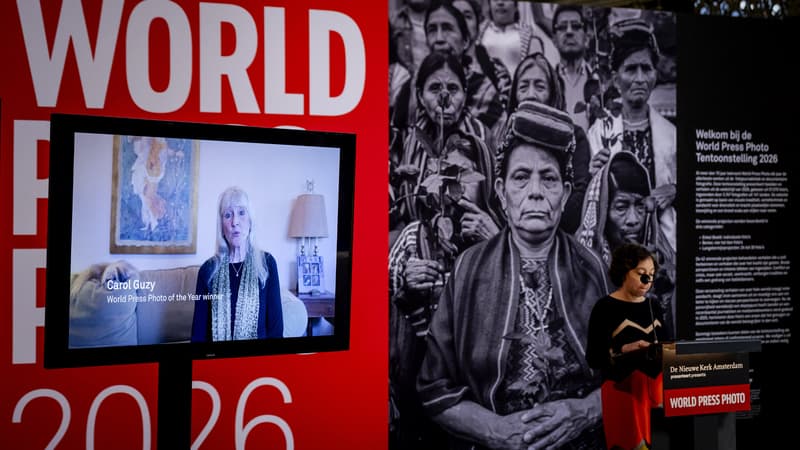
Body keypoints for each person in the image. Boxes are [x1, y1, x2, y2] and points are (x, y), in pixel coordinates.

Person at [417, 100, 611, 449]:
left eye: (549, 178)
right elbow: (434, 389)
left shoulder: (592, 268)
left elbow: (635, 377)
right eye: (521, 177)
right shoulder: (468, 270)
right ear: (501, 193)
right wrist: (493, 431)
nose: (535, 191)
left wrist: (586, 411)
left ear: (565, 194)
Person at [389, 137, 499, 449]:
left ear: (486, 183)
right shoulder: (417, 234)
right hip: (421, 382)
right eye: (448, 174)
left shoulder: (502, 233)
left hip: (483, 389)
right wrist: (406, 282)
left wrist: (494, 241)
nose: (455, 186)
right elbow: (382, 298)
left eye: (465, 176)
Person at [586, 18, 676, 253]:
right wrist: (594, 178)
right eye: (630, 69)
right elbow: (588, 197)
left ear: (655, 75)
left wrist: (675, 190)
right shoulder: (599, 131)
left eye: (646, 69)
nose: (639, 79)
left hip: (663, 247)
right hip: (614, 248)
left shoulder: (671, 135)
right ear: (616, 79)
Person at [392, 50, 499, 233]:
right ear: (420, 96)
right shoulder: (411, 139)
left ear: (465, 95)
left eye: (453, 88)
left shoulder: (481, 138)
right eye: (434, 88)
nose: (445, 98)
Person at [576, 151, 676, 335]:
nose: (633, 220)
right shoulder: (579, 270)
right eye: (621, 207)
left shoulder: (664, 265)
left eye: (640, 206)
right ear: (602, 211)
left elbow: (673, 339)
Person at [586, 243, 669, 450]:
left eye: (651, 275)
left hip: (656, 396)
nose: (648, 280)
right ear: (624, 272)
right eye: (641, 274)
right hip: (623, 394)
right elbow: (594, 358)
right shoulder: (605, 307)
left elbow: (667, 346)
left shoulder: (653, 305)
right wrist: (623, 350)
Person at [505, 52, 591, 234]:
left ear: (553, 94)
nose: (531, 95)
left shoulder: (574, 136)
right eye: (523, 87)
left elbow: (579, 194)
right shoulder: (505, 138)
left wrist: (542, 228)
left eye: (540, 87)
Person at [191, 186, 283, 341]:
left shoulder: (267, 264)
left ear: (250, 221)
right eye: (228, 215)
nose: (235, 222)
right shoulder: (208, 270)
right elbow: (198, 334)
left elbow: (276, 331)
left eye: (241, 212)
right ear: (221, 226)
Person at [551, 5, 592, 133]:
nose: (569, 32)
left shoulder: (601, 83)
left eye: (576, 26)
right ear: (554, 39)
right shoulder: (548, 83)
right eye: (562, 27)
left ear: (586, 37)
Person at [478, 0, 546, 76]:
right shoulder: (478, 34)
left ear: (516, 6)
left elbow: (538, 71)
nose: (500, 3)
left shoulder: (530, 37)